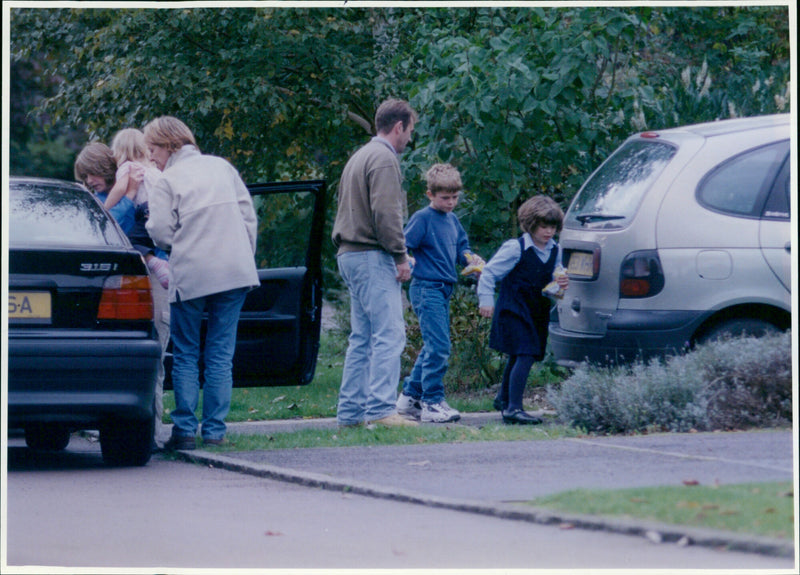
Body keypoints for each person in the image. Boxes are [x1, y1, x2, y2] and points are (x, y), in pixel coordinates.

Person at [144, 116, 259, 450]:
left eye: (153, 149)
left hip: (192, 271)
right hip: (234, 270)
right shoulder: (223, 168)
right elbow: (248, 218)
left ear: (168, 144)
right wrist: (240, 255)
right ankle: (214, 431)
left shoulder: (168, 180)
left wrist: (182, 240)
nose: (151, 157)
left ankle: (183, 431)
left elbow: (161, 232)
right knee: (221, 354)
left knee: (185, 353)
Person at [74, 142, 171, 448]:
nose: (88, 181)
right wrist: (126, 194)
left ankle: (150, 432)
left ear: (103, 169)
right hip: (122, 291)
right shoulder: (109, 195)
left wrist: (128, 195)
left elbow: (118, 231)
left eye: (90, 174)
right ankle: (144, 431)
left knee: (152, 359)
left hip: (139, 286)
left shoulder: (131, 190)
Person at [331, 98, 418, 428]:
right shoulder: (384, 158)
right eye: (410, 130)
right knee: (390, 335)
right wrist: (400, 255)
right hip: (371, 255)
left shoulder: (361, 155)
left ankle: (351, 414)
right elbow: (386, 213)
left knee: (362, 339)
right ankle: (382, 410)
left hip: (350, 254)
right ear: (398, 127)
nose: (410, 137)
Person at [396, 164, 484, 423]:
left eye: (455, 197)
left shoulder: (453, 220)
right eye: (445, 198)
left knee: (432, 346)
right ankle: (432, 402)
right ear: (430, 194)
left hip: (444, 288)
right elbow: (404, 245)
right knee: (440, 347)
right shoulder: (423, 218)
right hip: (426, 288)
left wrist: (471, 260)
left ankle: (409, 397)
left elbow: (462, 249)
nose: (451, 202)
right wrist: (407, 262)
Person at [477, 195, 570, 425]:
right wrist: (485, 300)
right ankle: (513, 408)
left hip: (536, 309)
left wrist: (560, 285)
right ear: (530, 224)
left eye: (552, 227)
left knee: (520, 354)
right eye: (543, 226)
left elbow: (552, 284)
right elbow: (489, 273)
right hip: (513, 308)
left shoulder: (555, 250)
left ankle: (503, 398)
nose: (548, 232)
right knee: (525, 353)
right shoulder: (515, 248)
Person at [106, 128, 170, 289]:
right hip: (165, 209)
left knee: (129, 243)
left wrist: (104, 207)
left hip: (148, 211)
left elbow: (120, 189)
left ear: (120, 150)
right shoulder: (154, 170)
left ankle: (156, 265)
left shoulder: (128, 167)